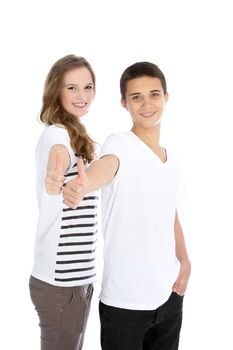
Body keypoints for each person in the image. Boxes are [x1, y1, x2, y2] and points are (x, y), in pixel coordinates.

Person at [47, 61, 191, 350]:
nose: (147, 104)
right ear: (124, 103)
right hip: (125, 306)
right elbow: (105, 168)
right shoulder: (120, 144)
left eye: (154, 94)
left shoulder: (172, 160)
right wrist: (82, 186)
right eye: (136, 97)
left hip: (170, 298)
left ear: (166, 97)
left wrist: (184, 261)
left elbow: (169, 213)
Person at [29, 54, 98, 350]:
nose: (82, 96)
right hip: (61, 284)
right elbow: (58, 154)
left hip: (76, 280)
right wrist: (54, 175)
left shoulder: (76, 133)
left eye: (88, 87)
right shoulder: (58, 135)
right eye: (72, 88)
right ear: (56, 90)